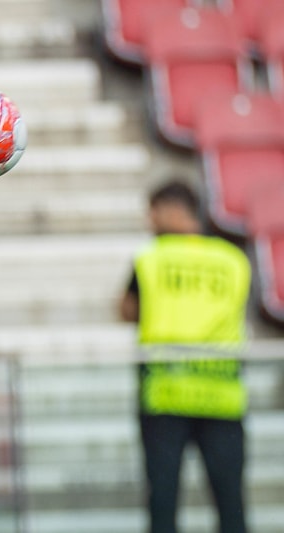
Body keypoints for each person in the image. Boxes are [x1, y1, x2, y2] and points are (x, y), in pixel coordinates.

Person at [119, 179, 251, 533]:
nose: (150, 220)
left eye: (153, 211)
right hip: (223, 396)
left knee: (163, 504)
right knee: (231, 505)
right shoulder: (233, 259)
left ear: (169, 210)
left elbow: (127, 310)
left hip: (164, 394)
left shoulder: (152, 258)